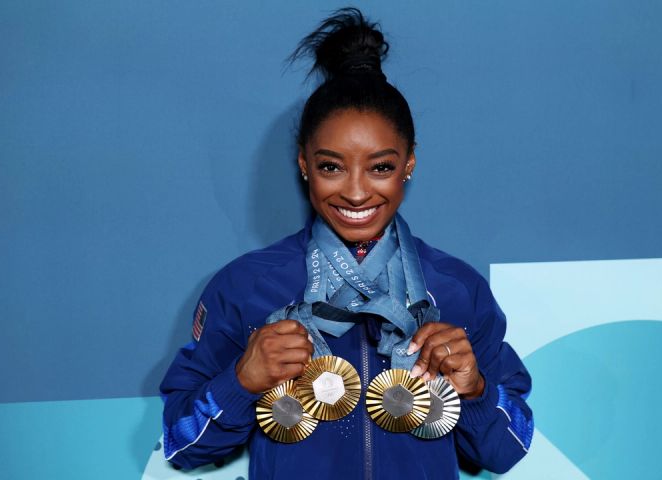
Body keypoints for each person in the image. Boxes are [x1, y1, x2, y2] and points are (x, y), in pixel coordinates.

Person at [160, 8, 533, 479]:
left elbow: (509, 448)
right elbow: (180, 442)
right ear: (303, 165)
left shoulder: (457, 289)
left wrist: (476, 389)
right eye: (331, 166)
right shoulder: (246, 286)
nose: (356, 192)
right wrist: (241, 381)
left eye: (380, 167)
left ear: (409, 165)